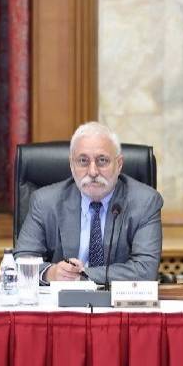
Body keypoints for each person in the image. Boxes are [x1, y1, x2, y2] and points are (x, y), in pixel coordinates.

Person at [15, 122, 163, 284]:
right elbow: (21, 261)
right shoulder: (45, 202)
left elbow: (145, 270)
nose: (93, 172)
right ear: (71, 164)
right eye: (83, 161)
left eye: (102, 160)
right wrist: (51, 273)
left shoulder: (145, 202)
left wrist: (82, 275)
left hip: (116, 298)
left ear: (119, 164)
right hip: (62, 298)